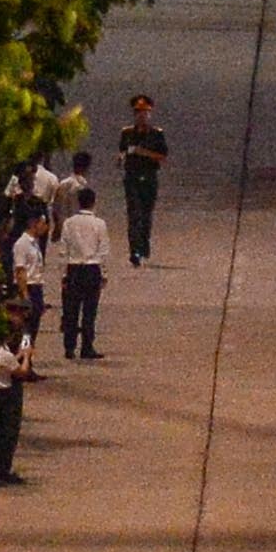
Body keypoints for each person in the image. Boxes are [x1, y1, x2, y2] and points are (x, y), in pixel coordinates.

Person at [53, 181, 111, 360]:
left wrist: (63, 274)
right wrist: (104, 273)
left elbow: (64, 250)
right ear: (93, 202)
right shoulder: (99, 224)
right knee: (89, 310)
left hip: (74, 268)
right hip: (92, 268)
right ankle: (87, 346)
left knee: (71, 309)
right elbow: (103, 250)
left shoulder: (69, 223)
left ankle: (69, 347)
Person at [117, 95, 168, 264]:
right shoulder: (127, 133)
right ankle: (135, 251)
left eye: (145, 112)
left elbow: (162, 156)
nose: (141, 116)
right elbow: (122, 150)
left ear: (150, 113)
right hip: (131, 176)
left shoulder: (157, 134)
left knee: (146, 214)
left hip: (149, 176)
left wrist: (143, 152)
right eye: (138, 112)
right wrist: (121, 157)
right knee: (133, 214)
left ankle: (144, 244)